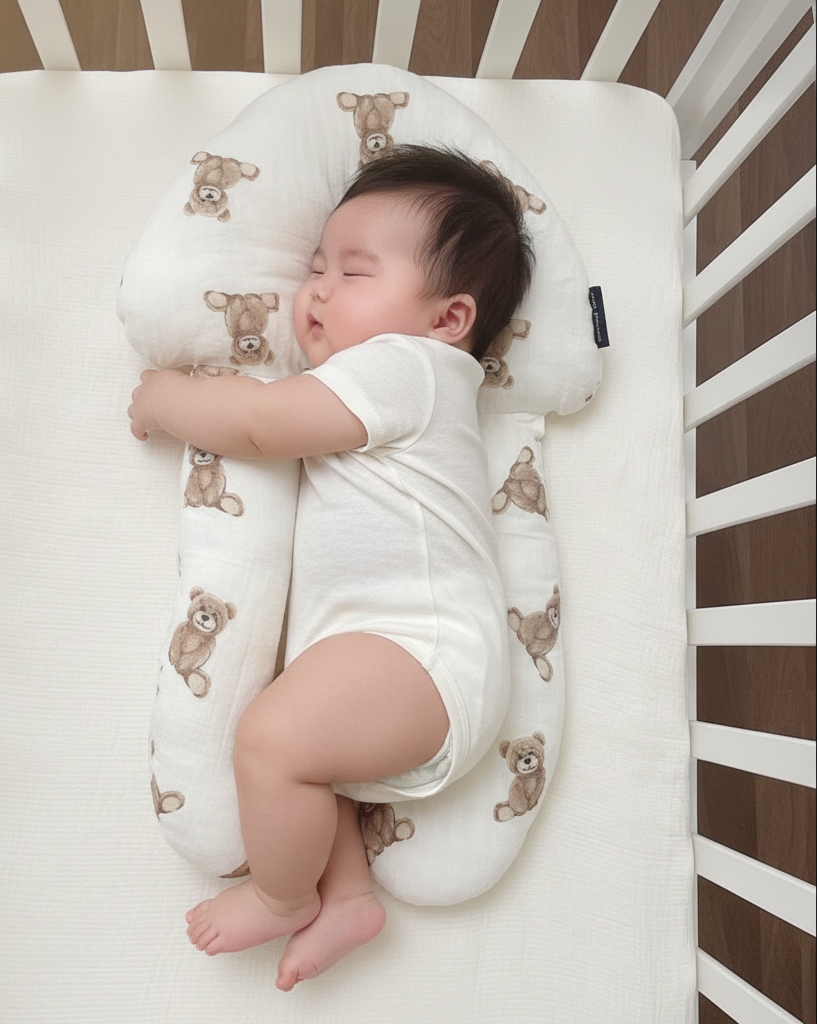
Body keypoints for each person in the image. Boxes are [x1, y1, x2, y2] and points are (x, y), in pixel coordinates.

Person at [128, 145, 534, 990]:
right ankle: (347, 896)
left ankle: (282, 896)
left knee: (273, 739)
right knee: (311, 747)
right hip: (392, 659)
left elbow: (262, 424)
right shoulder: (392, 377)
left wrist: (168, 399)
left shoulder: (407, 368)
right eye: (315, 267)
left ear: (448, 319)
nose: (315, 289)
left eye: (352, 272)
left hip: (423, 655)